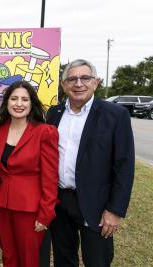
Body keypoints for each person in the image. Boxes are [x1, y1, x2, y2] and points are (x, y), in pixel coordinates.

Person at [47, 59, 135, 267]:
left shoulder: (115, 115)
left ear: (95, 82)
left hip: (96, 204)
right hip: (60, 201)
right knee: (63, 259)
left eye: (85, 78)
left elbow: (124, 165)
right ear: (64, 84)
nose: (78, 83)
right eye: (72, 78)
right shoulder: (54, 114)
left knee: (97, 261)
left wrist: (115, 210)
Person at [0, 80, 59, 267]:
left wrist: (46, 214)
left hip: (31, 209)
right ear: (7, 102)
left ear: (31, 103)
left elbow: (50, 177)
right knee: (8, 257)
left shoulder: (45, 132)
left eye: (24, 99)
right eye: (14, 98)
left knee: (29, 260)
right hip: (1, 205)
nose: (19, 104)